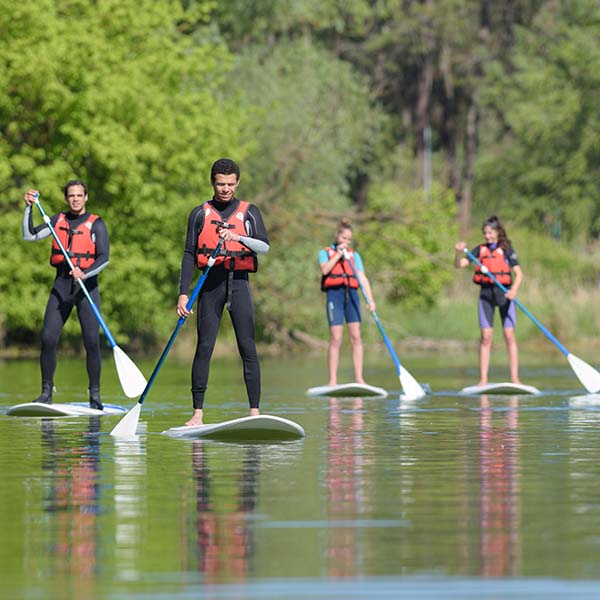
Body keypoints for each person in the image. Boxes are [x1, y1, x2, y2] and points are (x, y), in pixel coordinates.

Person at [177, 158, 269, 427]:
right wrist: (183, 293)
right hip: (210, 284)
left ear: (237, 183)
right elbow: (188, 254)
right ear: (212, 183)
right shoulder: (199, 214)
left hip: (239, 282)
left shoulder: (250, 212)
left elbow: (264, 247)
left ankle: (254, 411)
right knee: (204, 347)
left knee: (247, 347)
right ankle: (197, 414)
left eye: (230, 184)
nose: (225, 189)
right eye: (220, 184)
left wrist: (237, 237)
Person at [22, 181, 109, 409]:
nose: (75, 199)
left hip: (86, 289)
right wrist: (29, 208)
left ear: (86, 197)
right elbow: (29, 236)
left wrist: (85, 272)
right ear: (66, 198)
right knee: (48, 338)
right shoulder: (56, 220)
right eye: (71, 196)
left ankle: (95, 395)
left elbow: (104, 258)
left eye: (79, 195)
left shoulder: (96, 224)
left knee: (91, 342)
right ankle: (46, 393)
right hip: (61, 286)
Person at [455, 215, 523, 386]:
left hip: (505, 295)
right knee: (486, 337)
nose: (487, 236)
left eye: (490, 232)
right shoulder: (479, 250)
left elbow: (519, 274)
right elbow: (459, 264)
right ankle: (483, 380)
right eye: (485, 233)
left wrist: (513, 290)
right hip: (486, 296)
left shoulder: (507, 249)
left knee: (509, 335)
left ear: (498, 232)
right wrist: (457, 251)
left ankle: (515, 379)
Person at [319, 218, 375, 387]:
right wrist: (338, 255)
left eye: (349, 240)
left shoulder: (354, 256)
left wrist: (370, 300)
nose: (346, 242)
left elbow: (363, 278)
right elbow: (325, 270)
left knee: (356, 337)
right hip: (334, 296)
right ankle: (332, 380)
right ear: (337, 236)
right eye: (343, 238)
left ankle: (359, 378)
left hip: (352, 295)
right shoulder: (325, 252)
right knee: (336, 338)